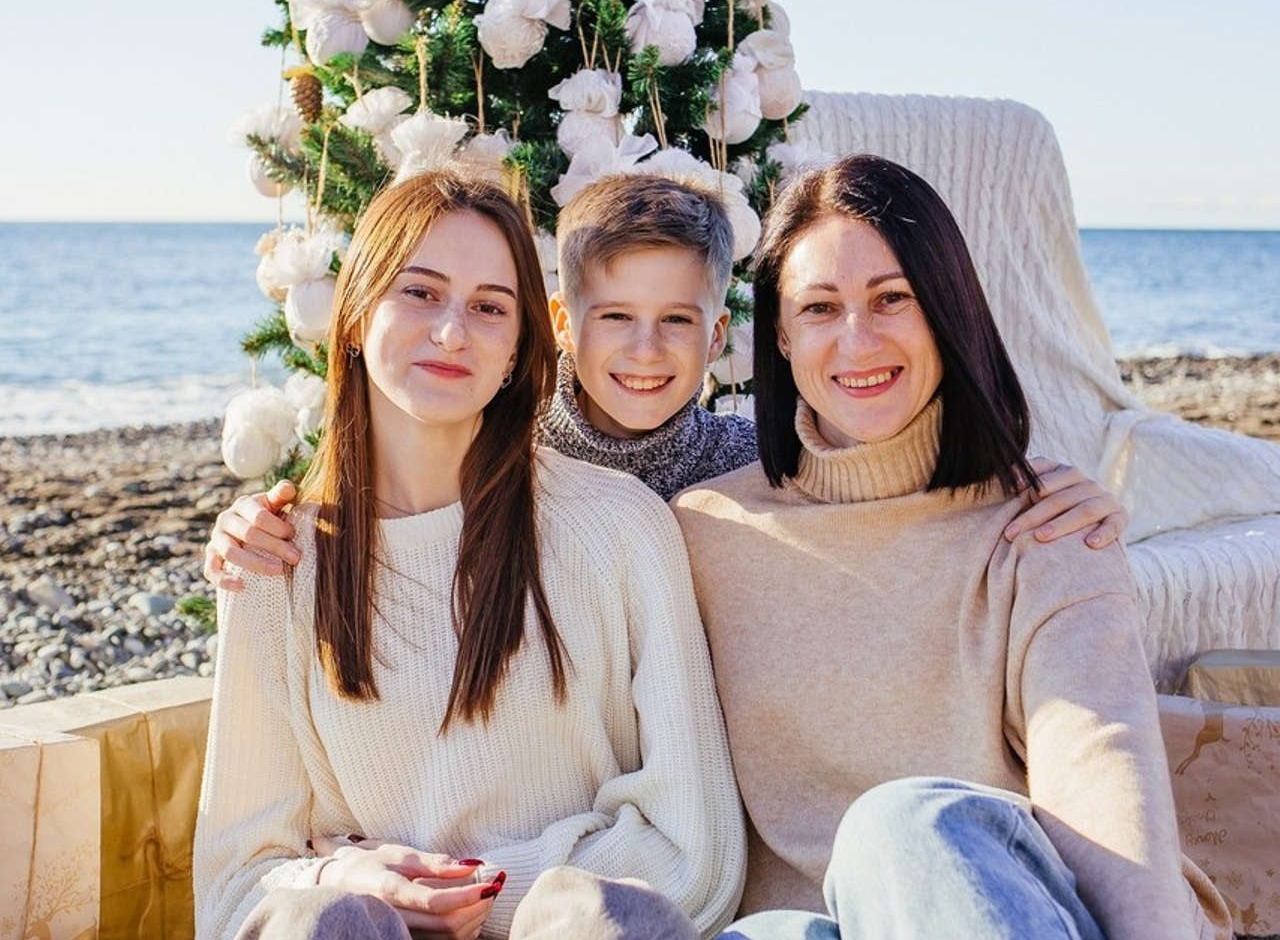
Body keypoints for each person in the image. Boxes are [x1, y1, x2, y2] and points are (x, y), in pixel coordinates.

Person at [671, 154, 1230, 940]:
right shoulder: (705, 533)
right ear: (777, 336)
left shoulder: (1043, 526)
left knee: (901, 826)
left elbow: (1098, 754)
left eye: (892, 298)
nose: (857, 339)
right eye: (819, 308)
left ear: (947, 307)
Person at [193, 170, 746, 940]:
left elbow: (695, 856)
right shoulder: (276, 561)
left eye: (490, 307)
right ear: (356, 313)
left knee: (620, 929)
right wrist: (344, 881)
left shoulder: (619, 529)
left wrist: (474, 889)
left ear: (523, 344)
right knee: (323, 926)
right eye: (421, 292)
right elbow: (235, 894)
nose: (453, 331)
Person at [202, 173, 1126, 582]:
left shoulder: (753, 462)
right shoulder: (501, 452)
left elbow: (884, 484)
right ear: (563, 324)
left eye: (677, 321)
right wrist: (246, 526)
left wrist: (1044, 491)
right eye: (615, 319)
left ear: (718, 334)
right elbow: (390, 501)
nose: (646, 352)